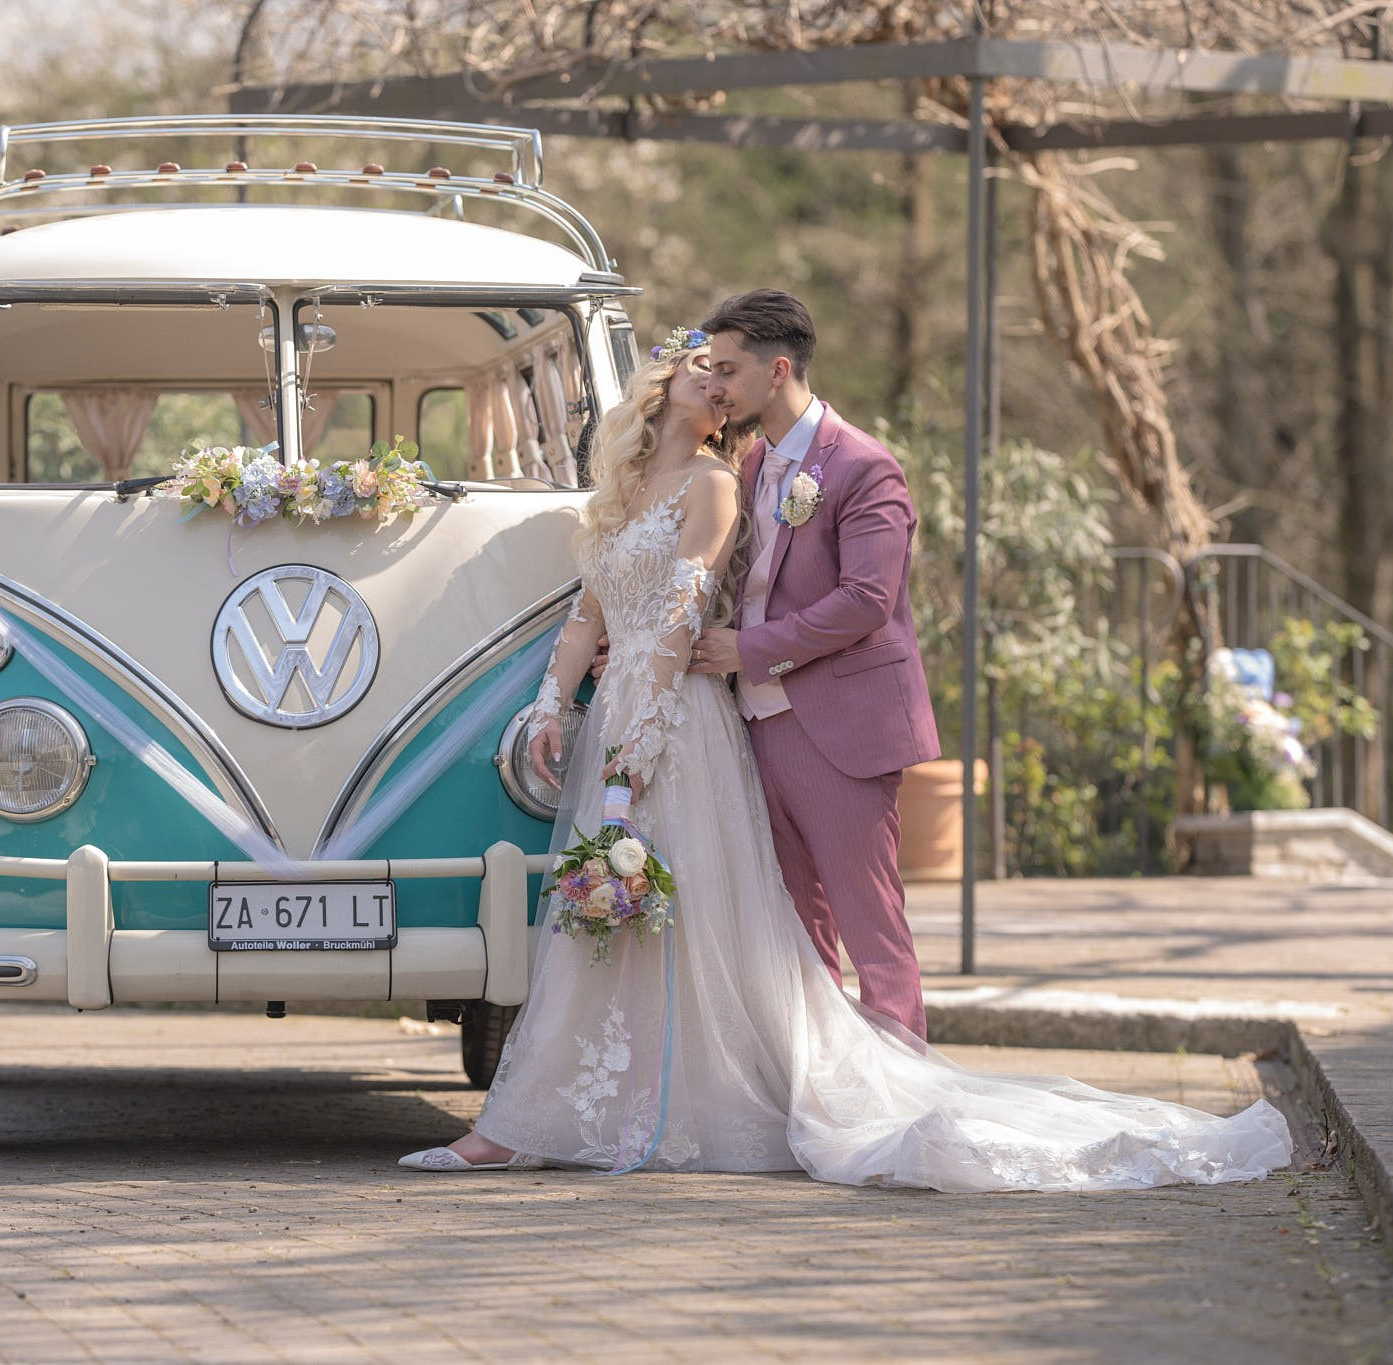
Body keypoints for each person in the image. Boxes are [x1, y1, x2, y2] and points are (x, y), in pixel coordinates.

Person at [397, 327, 1291, 1190]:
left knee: (720, 908)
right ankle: (551, 1116)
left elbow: (690, 614)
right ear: (662, 386)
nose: (719, 387)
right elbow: (588, 614)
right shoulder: (635, 491)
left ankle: (837, 1092)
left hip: (678, 716)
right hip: (636, 710)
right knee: (615, 915)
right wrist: (551, 706)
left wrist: (637, 748)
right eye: (706, 371)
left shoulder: (723, 481)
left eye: (728, 372)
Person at [688, 289, 940, 1038]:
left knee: (871, 924)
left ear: (778, 370)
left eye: (727, 369)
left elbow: (867, 599)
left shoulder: (862, 465)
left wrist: (748, 649)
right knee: (798, 930)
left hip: (841, 727)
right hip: (756, 723)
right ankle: (825, 1079)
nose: (715, 386)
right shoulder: (749, 463)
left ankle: (900, 1083)